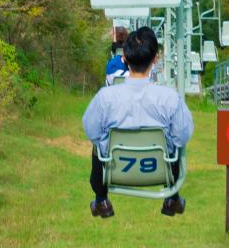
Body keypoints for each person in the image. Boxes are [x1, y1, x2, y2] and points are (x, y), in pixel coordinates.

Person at [81, 25, 192, 219]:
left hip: (116, 170)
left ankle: (101, 199)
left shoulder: (106, 97)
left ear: (124, 56)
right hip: (160, 171)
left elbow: (91, 129)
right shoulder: (170, 99)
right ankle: (172, 196)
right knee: (174, 145)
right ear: (155, 59)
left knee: (98, 146)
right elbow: (183, 135)